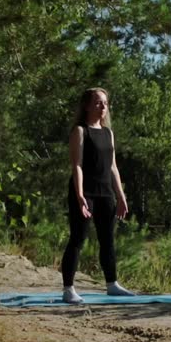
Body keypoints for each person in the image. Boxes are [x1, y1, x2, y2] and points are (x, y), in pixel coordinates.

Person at [61, 87, 134, 303]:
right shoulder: (80, 131)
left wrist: (120, 196)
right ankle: (68, 289)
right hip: (85, 192)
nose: (103, 107)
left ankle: (112, 284)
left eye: (105, 103)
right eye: (97, 103)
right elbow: (77, 165)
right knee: (77, 238)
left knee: (107, 240)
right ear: (86, 106)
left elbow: (113, 167)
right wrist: (80, 194)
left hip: (105, 193)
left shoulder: (108, 133)